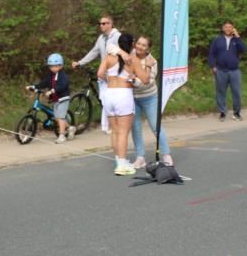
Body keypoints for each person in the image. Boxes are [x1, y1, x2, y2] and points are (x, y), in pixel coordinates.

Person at [98, 33, 149, 175]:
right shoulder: (133, 60)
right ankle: (121, 165)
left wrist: (110, 80)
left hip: (109, 94)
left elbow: (100, 73)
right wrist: (148, 67)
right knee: (123, 132)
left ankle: (119, 160)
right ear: (132, 44)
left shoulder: (109, 57)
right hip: (123, 95)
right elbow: (145, 79)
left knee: (115, 131)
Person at [130, 36, 173, 169]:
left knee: (156, 127)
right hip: (132, 98)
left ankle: (166, 155)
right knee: (136, 128)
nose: (140, 47)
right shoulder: (130, 55)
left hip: (149, 98)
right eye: (138, 43)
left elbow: (147, 83)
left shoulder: (152, 61)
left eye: (143, 45)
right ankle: (140, 158)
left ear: (148, 48)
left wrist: (134, 80)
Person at [74, 15, 121, 134]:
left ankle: (116, 124)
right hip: (103, 73)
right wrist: (80, 62)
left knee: (113, 100)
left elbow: (123, 53)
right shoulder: (101, 38)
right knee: (104, 99)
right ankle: (108, 126)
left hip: (114, 73)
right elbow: (94, 52)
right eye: (100, 23)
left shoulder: (117, 36)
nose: (101, 25)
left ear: (111, 24)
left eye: (104, 23)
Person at [28, 53, 75, 143]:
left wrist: (52, 91)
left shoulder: (63, 76)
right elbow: (44, 83)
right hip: (55, 99)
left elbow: (62, 85)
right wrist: (34, 86)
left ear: (61, 66)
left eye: (56, 66)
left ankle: (62, 136)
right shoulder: (51, 75)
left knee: (60, 117)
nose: (53, 68)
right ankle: (70, 128)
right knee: (56, 117)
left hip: (63, 98)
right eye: (51, 66)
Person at [208, 21, 247, 121]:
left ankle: (236, 113)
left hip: (234, 70)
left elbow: (244, 49)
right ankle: (222, 112)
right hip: (221, 70)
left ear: (233, 28)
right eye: (226, 27)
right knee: (220, 91)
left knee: (236, 92)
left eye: (230, 27)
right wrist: (213, 66)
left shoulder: (236, 40)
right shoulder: (217, 40)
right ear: (223, 28)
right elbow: (211, 54)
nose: (228, 29)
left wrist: (237, 36)